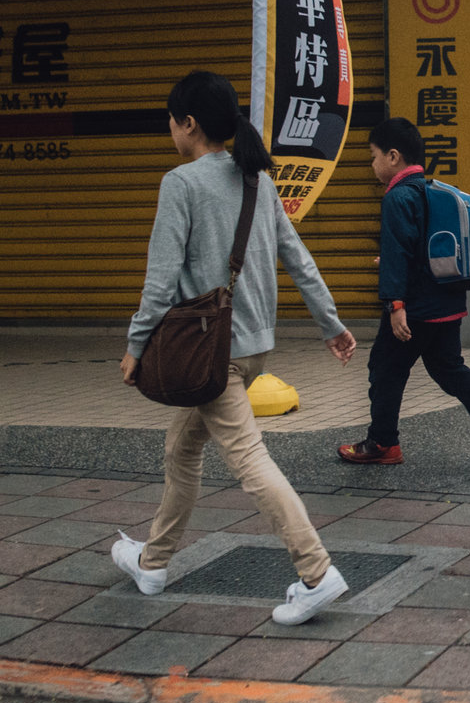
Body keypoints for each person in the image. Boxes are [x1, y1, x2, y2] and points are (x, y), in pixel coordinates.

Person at [113, 71, 360, 626]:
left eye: (172, 120)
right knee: (182, 450)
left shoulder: (181, 184)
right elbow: (297, 257)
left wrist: (135, 346)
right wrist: (331, 323)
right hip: (251, 351)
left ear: (189, 124)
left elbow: (159, 281)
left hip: (208, 353)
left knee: (250, 462)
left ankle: (318, 573)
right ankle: (152, 564)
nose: (170, 130)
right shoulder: (257, 181)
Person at [336, 116, 470, 469]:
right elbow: (418, 250)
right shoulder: (432, 191)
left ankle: (383, 443)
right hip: (447, 303)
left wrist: (395, 304)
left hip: (414, 308)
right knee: (449, 368)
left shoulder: (397, 197)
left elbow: (398, 252)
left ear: (393, 157)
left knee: (385, 369)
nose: (372, 164)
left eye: (373, 156)